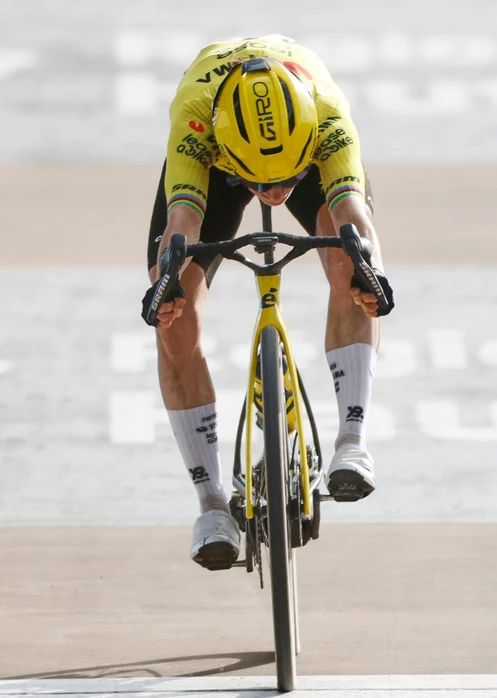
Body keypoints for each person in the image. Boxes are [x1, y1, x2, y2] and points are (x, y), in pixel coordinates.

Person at [142, 36, 392, 571]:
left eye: (287, 179)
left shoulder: (325, 115)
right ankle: (211, 503)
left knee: (354, 265)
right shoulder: (197, 123)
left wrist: (370, 271)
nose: (274, 192)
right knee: (174, 318)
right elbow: (181, 223)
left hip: (301, 141)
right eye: (260, 183)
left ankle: (353, 438)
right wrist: (167, 286)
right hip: (216, 155)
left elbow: (353, 211)